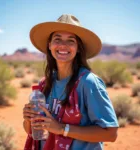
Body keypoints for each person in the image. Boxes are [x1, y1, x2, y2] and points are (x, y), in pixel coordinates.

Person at [23, 14, 119, 150]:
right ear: (49, 45)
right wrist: (28, 119)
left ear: (78, 48)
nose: (63, 45)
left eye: (70, 41)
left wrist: (62, 129)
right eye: (57, 39)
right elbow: (31, 130)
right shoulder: (45, 84)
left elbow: (110, 134)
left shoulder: (88, 82)